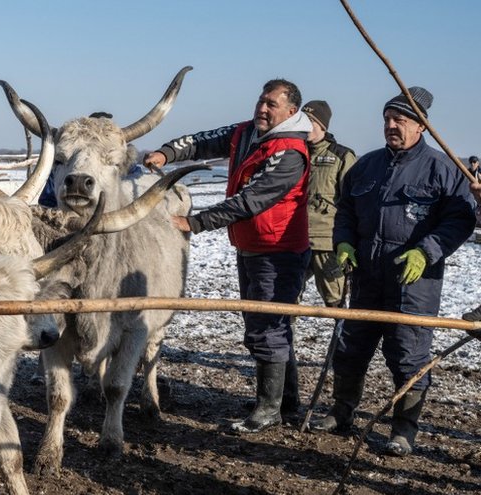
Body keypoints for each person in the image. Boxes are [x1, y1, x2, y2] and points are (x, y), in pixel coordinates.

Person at [308, 87, 477, 457]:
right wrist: (344, 243)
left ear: (421, 126)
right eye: (387, 118)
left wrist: (426, 251)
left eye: (400, 119)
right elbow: (345, 211)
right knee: (351, 348)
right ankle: (342, 412)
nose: (390, 125)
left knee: (408, 355)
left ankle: (403, 430)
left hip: (414, 282)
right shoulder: (366, 166)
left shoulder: (444, 169)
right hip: (366, 276)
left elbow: (460, 220)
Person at [142, 79, 312, 434]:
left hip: (277, 250)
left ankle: (269, 408)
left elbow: (251, 200)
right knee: (266, 326)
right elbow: (204, 141)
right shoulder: (245, 132)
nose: (262, 109)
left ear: (291, 112)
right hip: (250, 246)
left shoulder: (289, 151)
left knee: (269, 326)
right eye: (261, 101)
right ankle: (285, 402)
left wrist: (195, 222)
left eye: (272, 105)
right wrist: (167, 153)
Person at [299, 100, 357, 307]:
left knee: (337, 302)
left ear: (323, 126)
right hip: (295, 241)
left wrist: (349, 239)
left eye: (311, 121)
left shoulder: (342, 156)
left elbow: (353, 202)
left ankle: (341, 339)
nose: (305, 125)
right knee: (287, 300)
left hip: (327, 242)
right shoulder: (293, 154)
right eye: (302, 120)